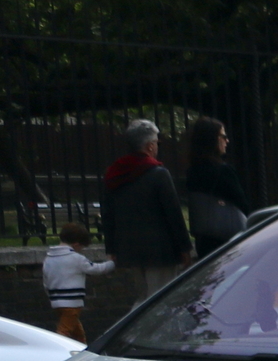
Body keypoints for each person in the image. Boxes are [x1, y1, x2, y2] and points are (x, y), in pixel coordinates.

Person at [100, 118, 193, 297]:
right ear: (150, 146)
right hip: (161, 251)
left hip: (130, 249)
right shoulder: (158, 174)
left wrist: (111, 248)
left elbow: (108, 213)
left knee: (143, 300)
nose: (158, 146)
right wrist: (184, 248)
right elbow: (173, 213)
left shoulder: (114, 173)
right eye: (157, 142)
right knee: (161, 300)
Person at [183, 116, 250, 255]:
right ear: (212, 139)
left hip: (204, 239)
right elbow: (242, 204)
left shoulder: (192, 171)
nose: (227, 140)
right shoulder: (223, 171)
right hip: (227, 239)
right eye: (223, 136)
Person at [42, 221, 114, 343]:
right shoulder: (76, 258)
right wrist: (112, 263)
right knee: (64, 331)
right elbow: (96, 269)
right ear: (76, 244)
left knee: (76, 330)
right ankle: (58, 350)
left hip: (55, 301)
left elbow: (45, 280)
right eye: (82, 247)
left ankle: (82, 347)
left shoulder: (48, 259)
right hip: (72, 302)